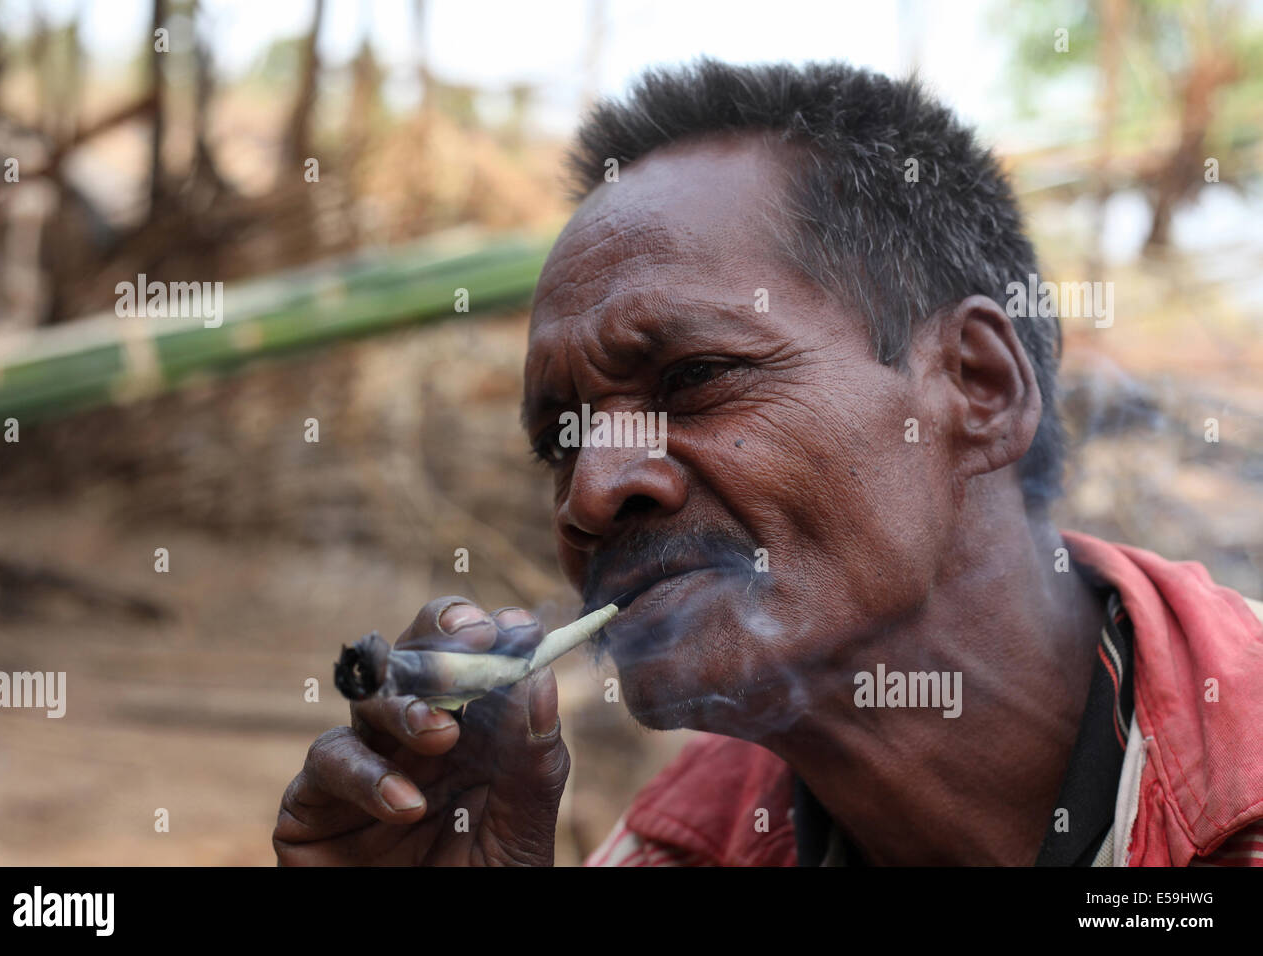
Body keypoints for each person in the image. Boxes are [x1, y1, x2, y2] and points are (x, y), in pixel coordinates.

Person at [272, 59, 1263, 867]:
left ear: (977, 388)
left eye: (695, 376)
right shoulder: (682, 846)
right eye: (559, 439)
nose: (589, 493)